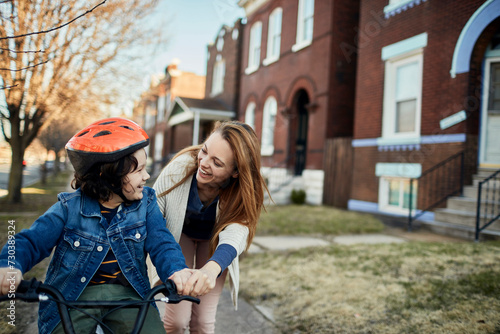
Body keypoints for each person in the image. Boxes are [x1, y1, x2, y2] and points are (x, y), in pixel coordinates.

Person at [0, 118, 213, 334]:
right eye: (138, 170)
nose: (147, 176)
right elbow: (30, 241)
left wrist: (177, 270)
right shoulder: (69, 208)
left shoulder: (146, 203)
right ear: (109, 177)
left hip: (127, 295)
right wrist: (10, 265)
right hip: (73, 295)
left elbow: (162, 242)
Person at [149, 120, 269, 333]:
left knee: (202, 323)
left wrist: (213, 268)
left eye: (217, 162)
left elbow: (237, 232)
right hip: (179, 237)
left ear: (235, 172)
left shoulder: (242, 191)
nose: (203, 162)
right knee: (177, 322)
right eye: (204, 151)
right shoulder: (179, 168)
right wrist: (174, 267)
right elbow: (152, 215)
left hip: (214, 242)